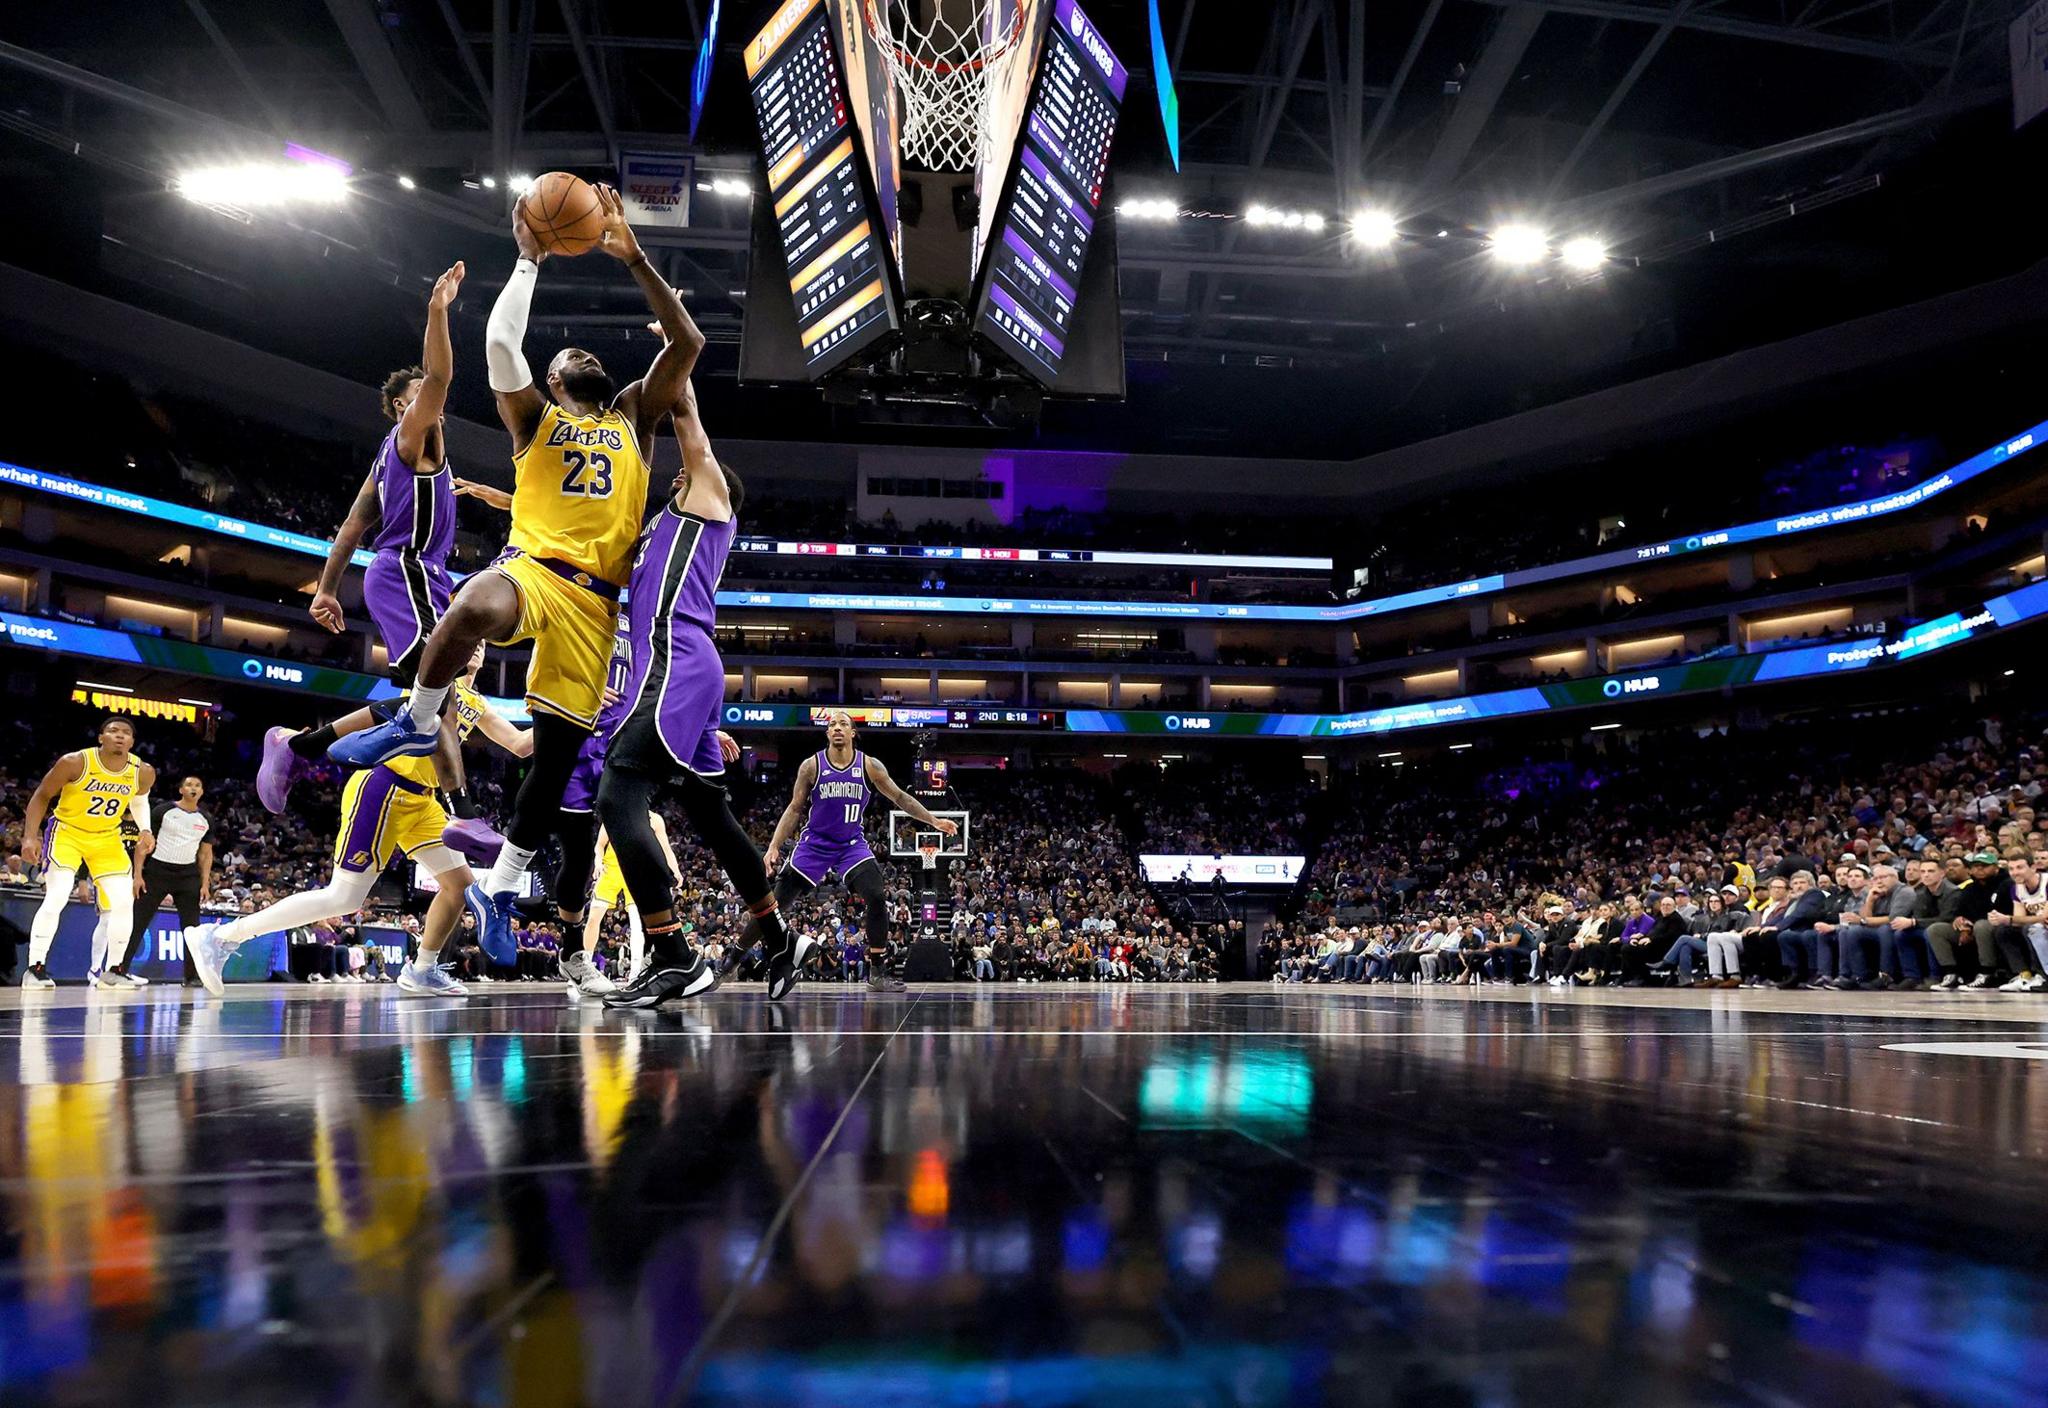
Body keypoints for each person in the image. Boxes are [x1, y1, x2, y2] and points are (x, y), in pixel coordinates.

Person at [331, 191, 697, 964]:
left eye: (589, 357)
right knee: (469, 604)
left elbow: (686, 342)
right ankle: (419, 719)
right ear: (553, 381)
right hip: (533, 569)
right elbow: (501, 344)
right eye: (571, 358)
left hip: (598, 608)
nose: (584, 359)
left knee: (556, 764)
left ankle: (503, 885)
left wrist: (632, 255)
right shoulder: (535, 419)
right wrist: (528, 258)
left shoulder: (634, 416)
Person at [256, 263, 497, 857]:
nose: (432, 401)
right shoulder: (411, 438)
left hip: (430, 577)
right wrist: (438, 310)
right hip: (406, 570)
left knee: (428, 695)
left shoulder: (386, 463)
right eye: (418, 398)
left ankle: (301, 744)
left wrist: (326, 589)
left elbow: (349, 527)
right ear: (398, 407)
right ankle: (461, 812)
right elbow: (439, 373)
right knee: (434, 689)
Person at [186, 651, 531, 998]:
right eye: (468, 639)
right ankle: (220, 937)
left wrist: (569, 718)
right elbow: (386, 708)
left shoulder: (477, 703)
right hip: (383, 786)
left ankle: (422, 969)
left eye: (481, 642)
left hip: (423, 801)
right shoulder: (434, 677)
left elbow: (519, 745)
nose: (474, 647)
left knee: (459, 885)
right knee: (344, 898)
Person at [760, 711, 959, 996]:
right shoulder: (811, 765)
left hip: (850, 844)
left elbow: (900, 797)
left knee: (877, 895)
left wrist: (934, 821)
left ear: (853, 732)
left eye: (843, 724)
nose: (837, 728)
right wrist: (774, 845)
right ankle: (740, 957)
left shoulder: (869, 765)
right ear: (827, 734)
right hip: (815, 842)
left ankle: (877, 970)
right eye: (832, 725)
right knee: (775, 904)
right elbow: (794, 808)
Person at [18, 718, 156, 988]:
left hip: (106, 837)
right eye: (113, 731)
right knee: (57, 895)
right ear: (101, 737)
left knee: (124, 902)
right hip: (68, 832)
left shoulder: (143, 771)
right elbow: (42, 795)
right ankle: (35, 969)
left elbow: (139, 800)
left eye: (126, 733)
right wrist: (29, 836)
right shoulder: (75, 762)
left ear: (132, 742)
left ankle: (114, 971)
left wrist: (146, 829)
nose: (120, 736)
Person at [572, 808, 696, 997]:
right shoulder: (615, 811)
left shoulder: (655, 820)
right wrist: (598, 862)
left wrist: (676, 870)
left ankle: (635, 973)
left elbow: (666, 849)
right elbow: (599, 845)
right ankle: (583, 968)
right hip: (610, 869)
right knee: (594, 917)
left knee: (638, 923)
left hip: (635, 870)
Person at [113, 773, 212, 986]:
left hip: (188, 876)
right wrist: (138, 875)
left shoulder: (206, 819)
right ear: (181, 790)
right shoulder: (163, 811)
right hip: (157, 871)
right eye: (188, 784)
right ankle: (120, 969)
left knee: (191, 929)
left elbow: (205, 854)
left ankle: (191, 976)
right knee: (138, 922)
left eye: (197, 785)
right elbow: (143, 843)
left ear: (202, 792)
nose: (193, 788)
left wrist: (205, 883)